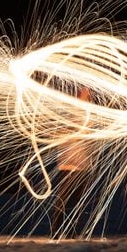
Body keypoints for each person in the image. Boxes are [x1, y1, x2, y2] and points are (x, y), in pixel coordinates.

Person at [52, 87, 92, 238]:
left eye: (87, 94)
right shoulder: (68, 114)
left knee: (76, 201)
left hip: (82, 165)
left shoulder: (88, 116)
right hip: (68, 164)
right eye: (84, 93)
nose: (87, 96)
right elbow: (61, 133)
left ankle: (70, 232)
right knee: (64, 200)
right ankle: (57, 232)